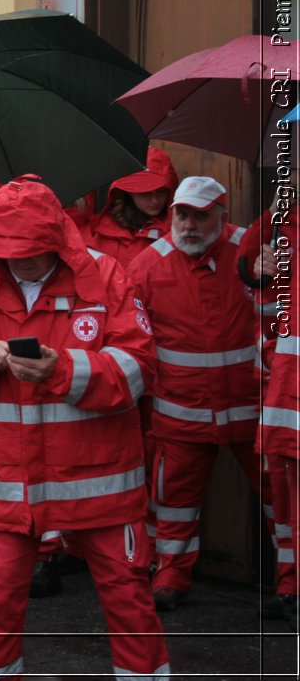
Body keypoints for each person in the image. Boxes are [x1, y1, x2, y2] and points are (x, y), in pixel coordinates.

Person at [0, 176, 167, 680]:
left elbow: (141, 368)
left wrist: (64, 370)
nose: (20, 260)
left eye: (31, 250)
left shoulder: (106, 276)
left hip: (99, 483)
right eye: (8, 250)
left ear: (58, 236)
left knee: (129, 604)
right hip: (10, 485)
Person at [129, 175, 268, 610]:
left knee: (280, 496)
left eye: (199, 216)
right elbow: (133, 336)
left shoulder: (252, 252)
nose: (188, 224)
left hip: (253, 406)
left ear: (221, 217)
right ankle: (169, 576)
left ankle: (292, 581)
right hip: (180, 411)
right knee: (172, 502)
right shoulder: (148, 265)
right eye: (181, 214)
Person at [241, 200, 299, 628]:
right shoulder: (282, 221)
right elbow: (248, 265)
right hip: (287, 393)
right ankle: (290, 586)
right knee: (287, 502)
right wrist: (261, 275)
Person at [87, 148, 178, 266]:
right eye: (144, 193)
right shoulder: (101, 229)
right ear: (127, 192)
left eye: (161, 191)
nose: (155, 200)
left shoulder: (178, 232)